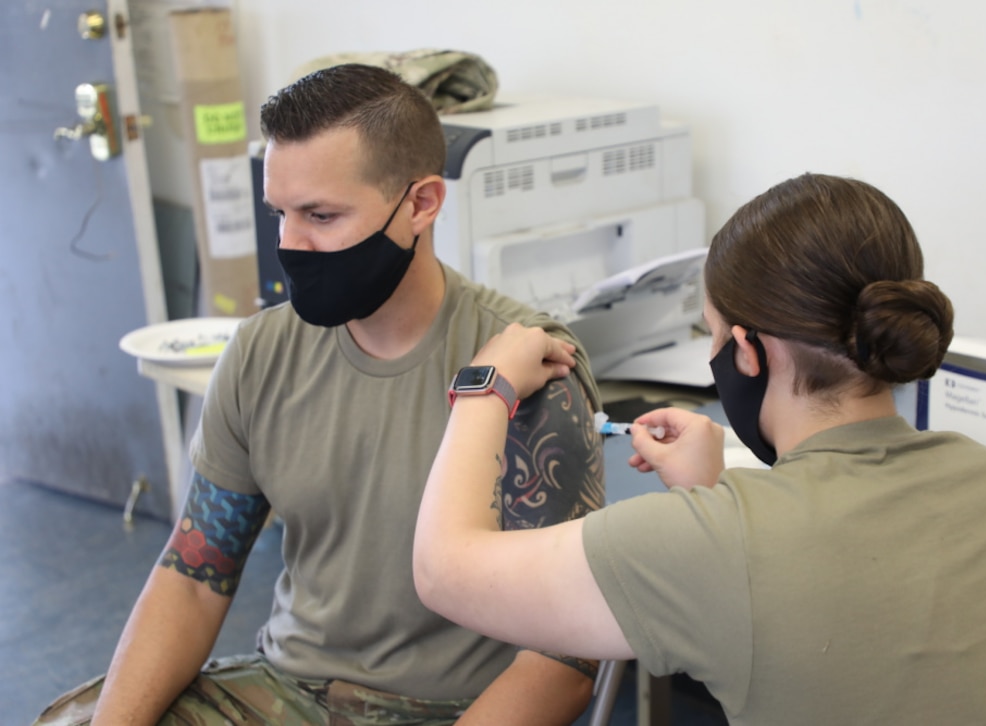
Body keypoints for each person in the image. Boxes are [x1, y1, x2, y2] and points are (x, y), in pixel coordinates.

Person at [36, 63, 603, 725]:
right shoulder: (259, 353)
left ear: (421, 204)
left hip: (447, 710)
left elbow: (563, 662)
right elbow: (192, 578)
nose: (289, 245)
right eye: (280, 213)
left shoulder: (526, 366)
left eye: (322, 215)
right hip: (287, 690)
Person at [414, 173, 986, 724]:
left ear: (747, 350)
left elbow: (444, 573)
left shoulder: (716, 545)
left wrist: (487, 385)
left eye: (710, 332)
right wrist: (709, 504)